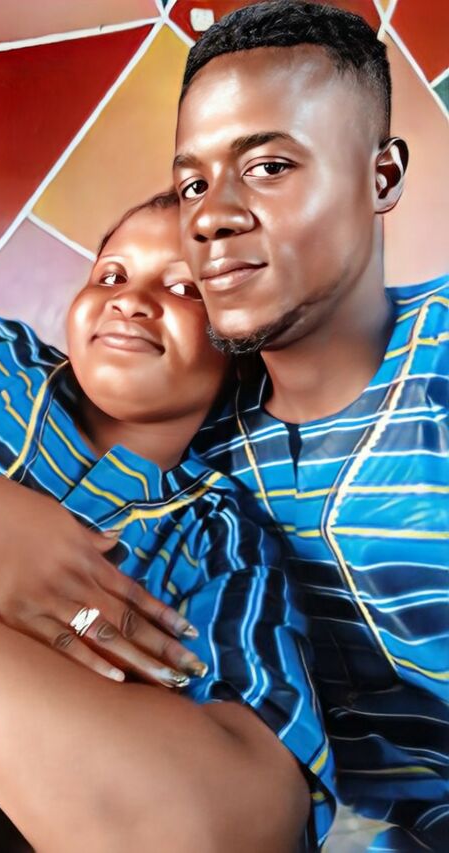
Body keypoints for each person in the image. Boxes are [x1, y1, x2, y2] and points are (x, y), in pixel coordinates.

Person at [0, 194, 332, 851]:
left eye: (185, 289)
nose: (130, 300)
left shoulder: (220, 545)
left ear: (247, 342)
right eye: (111, 274)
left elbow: (240, 826)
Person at [172, 2, 448, 849]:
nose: (211, 216)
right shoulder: (184, 444)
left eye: (268, 167)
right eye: (192, 184)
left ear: (382, 177)